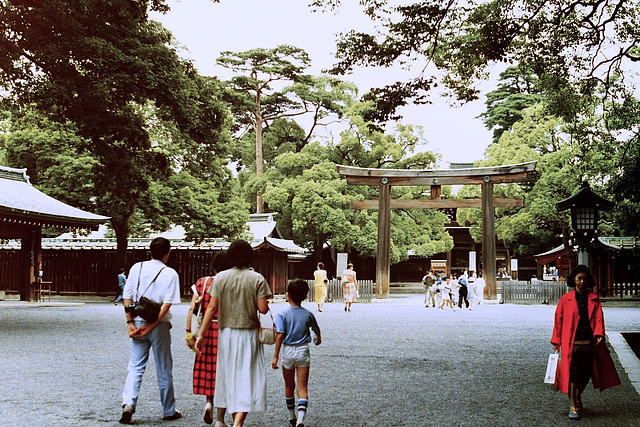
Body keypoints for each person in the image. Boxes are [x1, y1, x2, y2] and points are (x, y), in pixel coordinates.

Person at [196, 239, 272, 427]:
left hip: (226, 333)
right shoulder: (257, 278)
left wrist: (200, 335)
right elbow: (262, 309)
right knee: (247, 375)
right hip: (248, 334)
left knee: (227, 374)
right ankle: (238, 422)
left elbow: (211, 308)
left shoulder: (220, 278)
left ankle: (221, 419)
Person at [119, 237, 182, 424]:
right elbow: (167, 304)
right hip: (158, 325)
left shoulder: (136, 268)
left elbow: (127, 297)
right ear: (167, 253)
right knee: (164, 366)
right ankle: (168, 410)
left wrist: (130, 323)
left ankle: (128, 403)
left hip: (137, 320)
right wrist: (152, 325)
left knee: (135, 366)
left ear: (150, 251)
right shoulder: (170, 273)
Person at [550, 265, 620, 420]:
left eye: (584, 278)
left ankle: (577, 396)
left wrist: (599, 333)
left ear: (588, 280)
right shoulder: (565, 299)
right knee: (573, 374)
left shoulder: (593, 299)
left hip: (588, 341)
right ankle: (572, 406)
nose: (581, 281)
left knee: (587, 373)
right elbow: (558, 320)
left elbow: (598, 318)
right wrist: (556, 340)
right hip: (571, 341)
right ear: (573, 279)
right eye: (579, 278)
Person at [186, 251, 231, 426]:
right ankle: (220, 418)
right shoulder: (229, 283)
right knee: (224, 371)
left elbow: (192, 309)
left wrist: (189, 333)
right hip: (225, 329)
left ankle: (208, 402)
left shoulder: (201, 283)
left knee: (208, 370)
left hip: (206, 329)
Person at [272, 279, 322, 427]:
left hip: (288, 351)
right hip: (303, 351)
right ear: (305, 296)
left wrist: (275, 357)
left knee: (289, 385)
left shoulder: (282, 314)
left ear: (288, 295)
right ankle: (301, 419)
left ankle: (291, 415)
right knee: (302, 387)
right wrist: (317, 338)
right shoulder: (308, 314)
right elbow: (316, 330)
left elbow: (280, 335)